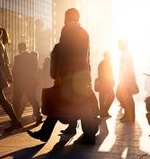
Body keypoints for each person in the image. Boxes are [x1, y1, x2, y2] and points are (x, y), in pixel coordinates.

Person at [27, 8, 99, 144]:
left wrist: (59, 74)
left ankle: (45, 133)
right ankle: (88, 136)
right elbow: (86, 56)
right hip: (82, 74)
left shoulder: (67, 30)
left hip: (69, 75)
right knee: (80, 105)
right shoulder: (84, 32)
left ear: (67, 17)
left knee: (59, 103)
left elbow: (64, 54)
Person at [12, 42, 42, 124]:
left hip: (20, 82)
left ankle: (15, 118)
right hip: (30, 82)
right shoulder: (32, 58)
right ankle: (38, 116)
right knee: (32, 99)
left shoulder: (17, 58)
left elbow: (15, 71)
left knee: (16, 100)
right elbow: (34, 71)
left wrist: (14, 80)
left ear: (19, 48)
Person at [116, 40, 137, 122]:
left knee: (124, 96)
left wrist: (123, 78)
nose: (118, 46)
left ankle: (129, 115)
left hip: (126, 78)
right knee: (126, 97)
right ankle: (129, 115)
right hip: (127, 78)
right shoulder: (125, 53)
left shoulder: (126, 54)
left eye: (119, 45)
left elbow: (126, 67)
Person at [97, 51, 115, 118]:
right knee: (108, 97)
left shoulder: (105, 63)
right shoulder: (104, 63)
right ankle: (103, 112)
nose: (111, 56)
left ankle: (104, 112)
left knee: (104, 98)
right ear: (106, 56)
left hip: (105, 83)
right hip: (105, 84)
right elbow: (105, 74)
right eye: (110, 55)